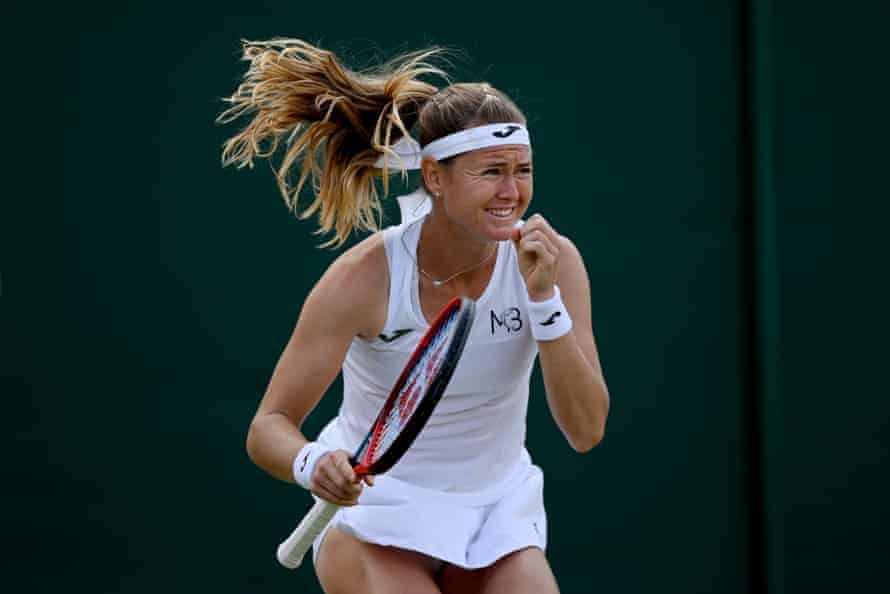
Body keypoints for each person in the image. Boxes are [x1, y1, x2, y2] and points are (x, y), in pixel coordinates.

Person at [219, 39, 609, 594]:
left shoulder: (554, 262)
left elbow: (587, 429)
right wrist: (312, 463)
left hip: (496, 511)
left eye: (522, 170)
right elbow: (268, 427)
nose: (512, 191)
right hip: (376, 515)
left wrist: (544, 302)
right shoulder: (363, 276)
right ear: (433, 177)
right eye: (490, 171)